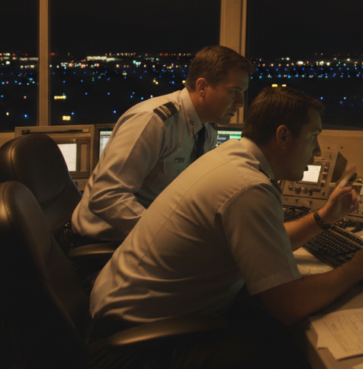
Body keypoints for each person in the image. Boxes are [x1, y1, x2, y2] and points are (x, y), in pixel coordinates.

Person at [88, 87, 363, 368]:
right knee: (287, 350)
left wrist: (324, 217)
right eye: (313, 136)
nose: (316, 152)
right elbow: (289, 305)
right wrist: (358, 268)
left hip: (127, 319)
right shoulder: (248, 188)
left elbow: (266, 246)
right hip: (134, 349)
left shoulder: (231, 158)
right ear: (283, 136)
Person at [72, 45, 253, 242]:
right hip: (110, 239)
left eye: (242, 92)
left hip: (149, 233)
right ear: (202, 87)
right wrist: (167, 237)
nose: (240, 102)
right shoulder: (153, 122)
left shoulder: (207, 128)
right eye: (233, 92)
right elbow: (106, 195)